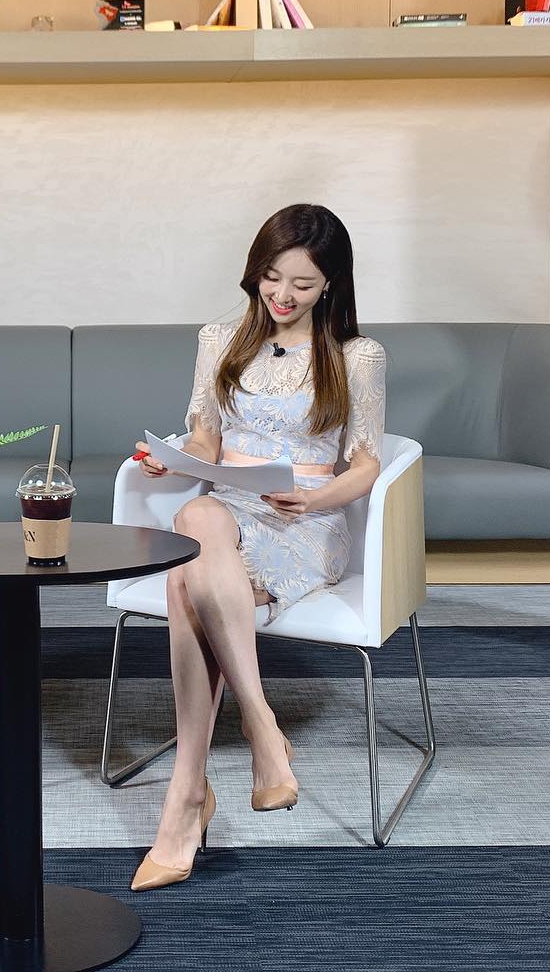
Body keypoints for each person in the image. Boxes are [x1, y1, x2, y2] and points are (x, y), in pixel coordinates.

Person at [129, 203, 386, 892]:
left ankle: (186, 799)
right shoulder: (220, 340)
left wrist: (316, 499)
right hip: (229, 508)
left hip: (306, 521)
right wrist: (168, 462)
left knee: (185, 583)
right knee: (198, 511)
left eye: (302, 284)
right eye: (272, 278)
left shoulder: (356, 355)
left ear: (330, 284)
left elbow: (365, 464)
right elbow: (206, 441)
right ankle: (262, 729)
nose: (282, 295)